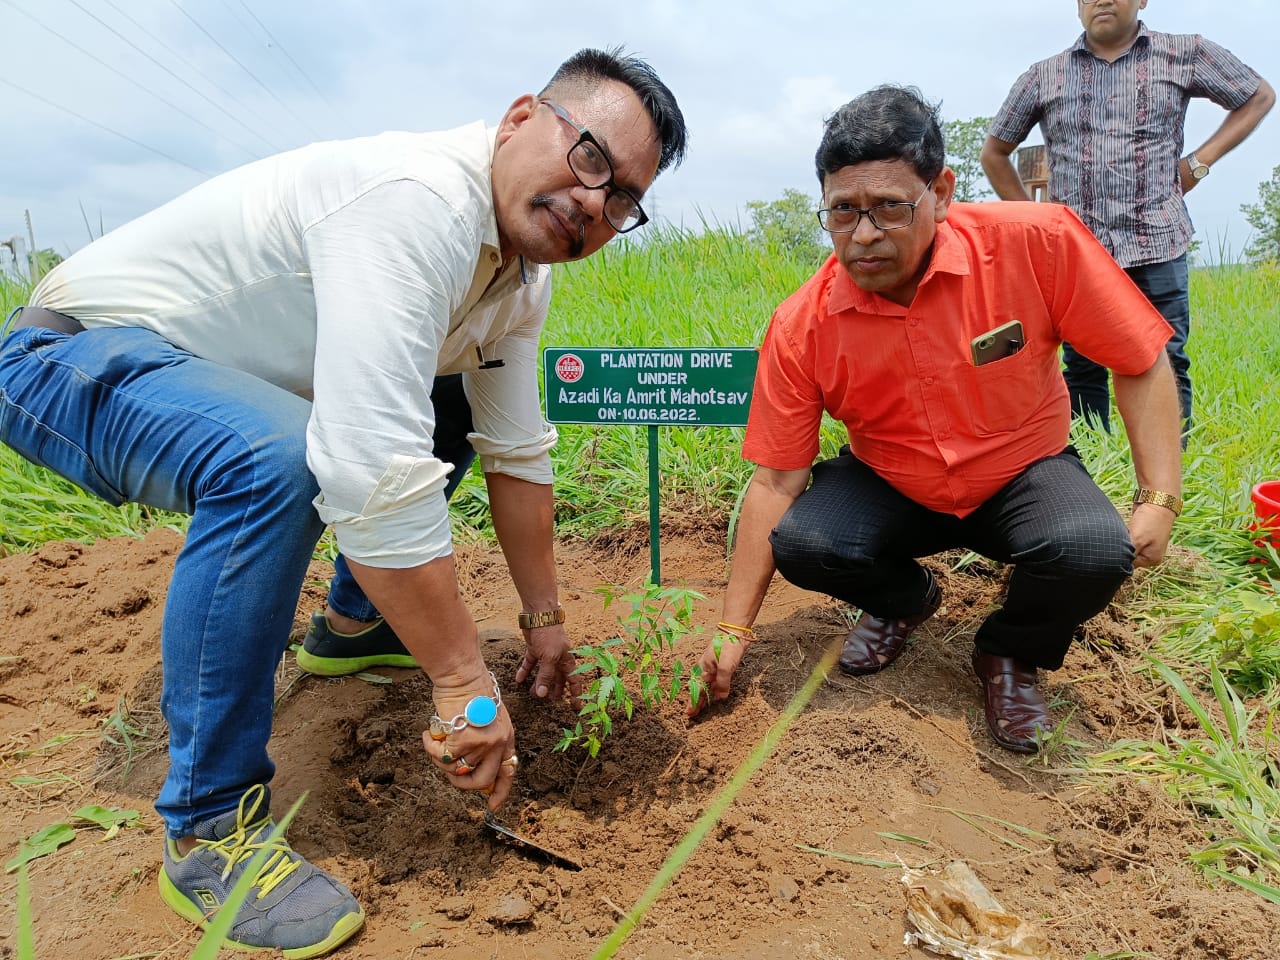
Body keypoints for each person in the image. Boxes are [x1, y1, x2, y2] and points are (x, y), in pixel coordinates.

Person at [0, 48, 686, 958]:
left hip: (223, 379)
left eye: (624, 198)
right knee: (278, 462)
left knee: (443, 403)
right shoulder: (415, 201)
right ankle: (208, 828)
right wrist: (464, 683)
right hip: (72, 358)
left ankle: (355, 629)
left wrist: (544, 619)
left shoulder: (520, 277)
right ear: (522, 118)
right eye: (590, 157)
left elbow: (515, 452)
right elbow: (365, 466)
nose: (594, 203)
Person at [687, 85, 1181, 758]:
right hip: (893, 481)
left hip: (1022, 471)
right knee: (803, 543)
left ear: (941, 192)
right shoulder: (803, 324)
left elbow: (1140, 359)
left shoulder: (1037, 243)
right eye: (843, 211)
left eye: (890, 207)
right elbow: (776, 481)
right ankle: (905, 600)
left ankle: (1009, 652)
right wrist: (733, 631)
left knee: (1094, 551)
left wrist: (1159, 496)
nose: (864, 235)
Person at [981, 0, 1273, 435]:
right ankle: (1094, 462)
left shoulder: (1184, 53)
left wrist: (1199, 163)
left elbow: (1257, 95)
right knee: (1083, 365)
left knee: (1166, 359)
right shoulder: (1044, 76)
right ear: (1078, 7)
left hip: (1158, 240)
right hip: (1080, 254)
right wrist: (1038, 223)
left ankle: (1171, 467)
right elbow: (994, 153)